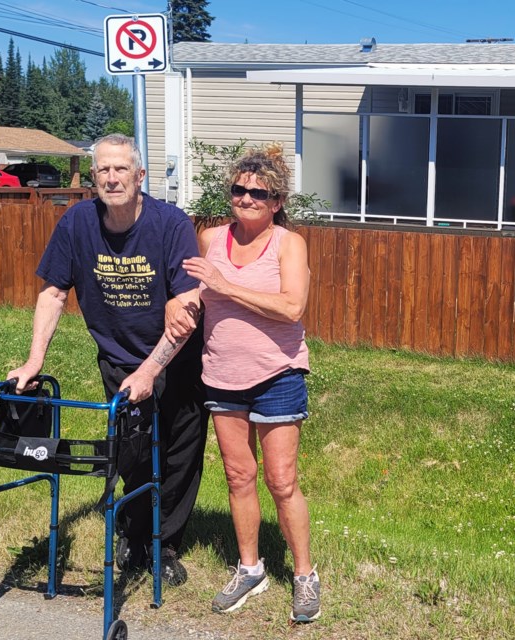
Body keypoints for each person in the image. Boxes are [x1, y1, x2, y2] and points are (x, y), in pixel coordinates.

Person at [7, 133, 208, 587]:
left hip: (176, 359)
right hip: (118, 358)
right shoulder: (77, 223)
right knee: (133, 453)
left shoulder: (170, 224)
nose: (112, 178)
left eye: (121, 169)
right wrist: (34, 360)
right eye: (103, 170)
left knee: (179, 454)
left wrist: (151, 369)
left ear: (140, 176)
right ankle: (133, 535)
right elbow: (54, 292)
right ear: (93, 177)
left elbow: (188, 307)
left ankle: (163, 545)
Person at [179, 143, 321, 622]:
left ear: (276, 202)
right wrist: (181, 306)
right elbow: (198, 297)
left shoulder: (289, 244)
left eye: (258, 194)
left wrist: (226, 287)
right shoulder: (211, 239)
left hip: (277, 374)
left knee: (282, 482)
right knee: (239, 477)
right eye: (239, 190)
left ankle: (303, 575)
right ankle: (250, 567)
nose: (246, 199)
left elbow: (292, 307)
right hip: (222, 375)